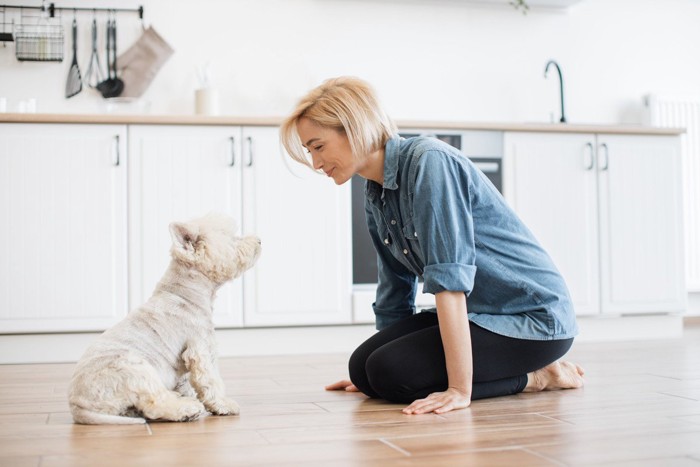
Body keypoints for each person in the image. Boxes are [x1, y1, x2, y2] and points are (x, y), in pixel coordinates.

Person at [280, 76, 585, 415]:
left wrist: (458, 388)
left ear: (354, 127)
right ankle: (384, 372)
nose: (315, 163)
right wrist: (376, 372)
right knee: (364, 367)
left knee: (389, 372)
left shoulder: (429, 162)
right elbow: (395, 285)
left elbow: (450, 280)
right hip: (479, 314)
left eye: (318, 146)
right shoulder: (374, 191)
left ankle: (538, 377)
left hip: (531, 319)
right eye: (310, 151)